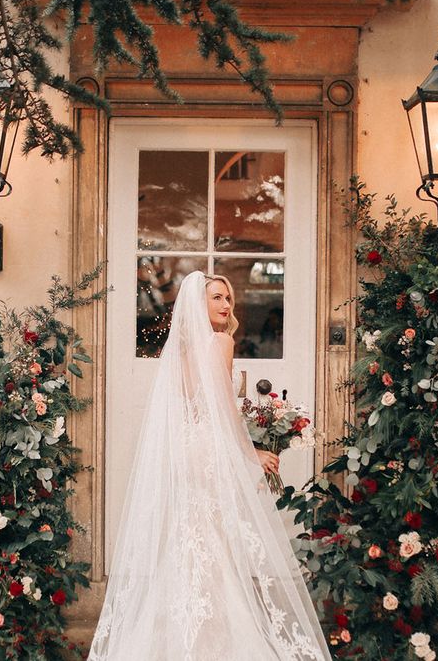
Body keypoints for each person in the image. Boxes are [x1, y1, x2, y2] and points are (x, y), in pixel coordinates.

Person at [88, 271, 332, 661]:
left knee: (190, 542)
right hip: (208, 450)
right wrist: (250, 452)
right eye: (217, 297)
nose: (226, 305)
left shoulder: (182, 351)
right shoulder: (220, 342)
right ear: (198, 305)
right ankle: (211, 641)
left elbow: (191, 409)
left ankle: (180, 638)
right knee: (212, 547)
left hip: (187, 452)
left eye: (228, 299)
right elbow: (221, 407)